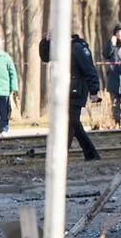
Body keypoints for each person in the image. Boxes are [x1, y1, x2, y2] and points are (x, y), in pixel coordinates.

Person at [39, 32, 102, 161]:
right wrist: (45, 41)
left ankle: (60, 157)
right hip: (63, 90)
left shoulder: (78, 48)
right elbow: (45, 57)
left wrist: (94, 90)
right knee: (75, 124)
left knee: (70, 123)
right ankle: (91, 154)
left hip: (76, 90)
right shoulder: (59, 48)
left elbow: (89, 69)